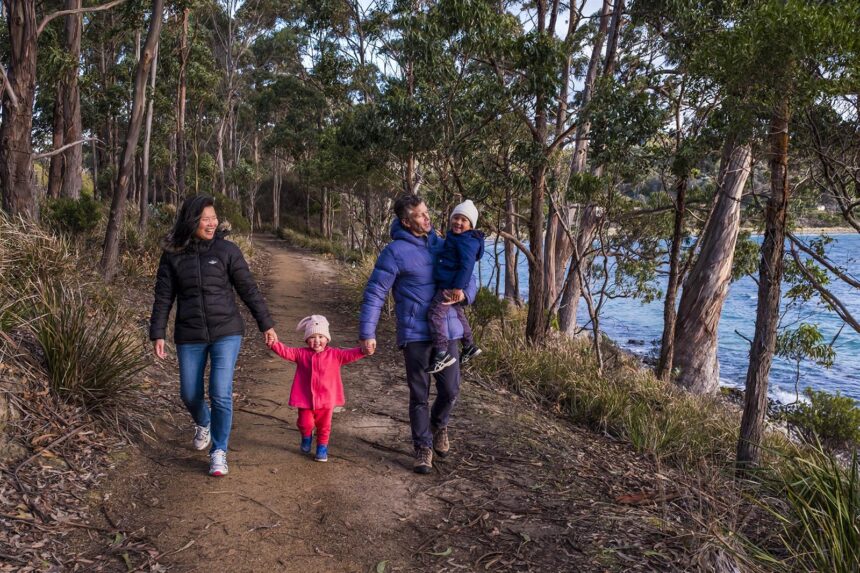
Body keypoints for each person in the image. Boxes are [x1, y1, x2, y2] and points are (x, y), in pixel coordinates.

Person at [149, 195, 278, 477]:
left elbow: (248, 289)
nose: (212, 223)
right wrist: (158, 332)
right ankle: (203, 421)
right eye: (205, 219)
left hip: (226, 331)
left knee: (220, 392)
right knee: (189, 393)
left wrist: (265, 324)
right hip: (189, 333)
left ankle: (219, 451)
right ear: (191, 221)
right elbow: (163, 297)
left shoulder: (227, 251)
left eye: (214, 218)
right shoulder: (173, 254)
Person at [359, 194, 477, 475]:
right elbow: (376, 292)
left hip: (447, 330)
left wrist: (465, 294)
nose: (427, 218)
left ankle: (438, 425)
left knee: (450, 390)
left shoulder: (443, 243)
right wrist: (367, 332)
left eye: (427, 212)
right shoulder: (394, 252)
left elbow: (470, 274)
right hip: (415, 334)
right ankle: (423, 447)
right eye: (420, 215)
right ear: (405, 221)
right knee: (419, 394)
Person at [267, 315, 366, 462]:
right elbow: (286, 351)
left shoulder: (336, 355)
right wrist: (274, 344)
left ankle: (322, 448)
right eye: (312, 337)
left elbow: (351, 354)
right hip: (305, 399)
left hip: (327, 400)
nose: (317, 340)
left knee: (324, 426)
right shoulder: (301, 354)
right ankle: (306, 436)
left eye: (321, 336)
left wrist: (364, 350)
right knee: (305, 423)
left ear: (327, 338)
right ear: (307, 340)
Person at [426, 199, 485, 374]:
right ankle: (469, 345)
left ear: (471, 225)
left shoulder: (466, 241)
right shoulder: (458, 237)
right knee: (459, 314)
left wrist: (458, 288)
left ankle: (441, 352)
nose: (458, 222)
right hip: (451, 283)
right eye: (456, 218)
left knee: (434, 314)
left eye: (463, 220)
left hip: (450, 285)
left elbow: (467, 266)